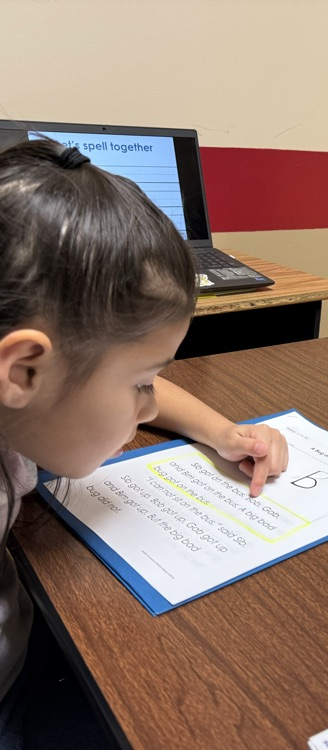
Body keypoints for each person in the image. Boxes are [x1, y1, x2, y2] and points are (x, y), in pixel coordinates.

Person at [0, 138, 289, 747]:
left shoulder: (18, 401)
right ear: (23, 370)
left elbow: (139, 386)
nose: (152, 404)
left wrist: (221, 432)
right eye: (140, 384)